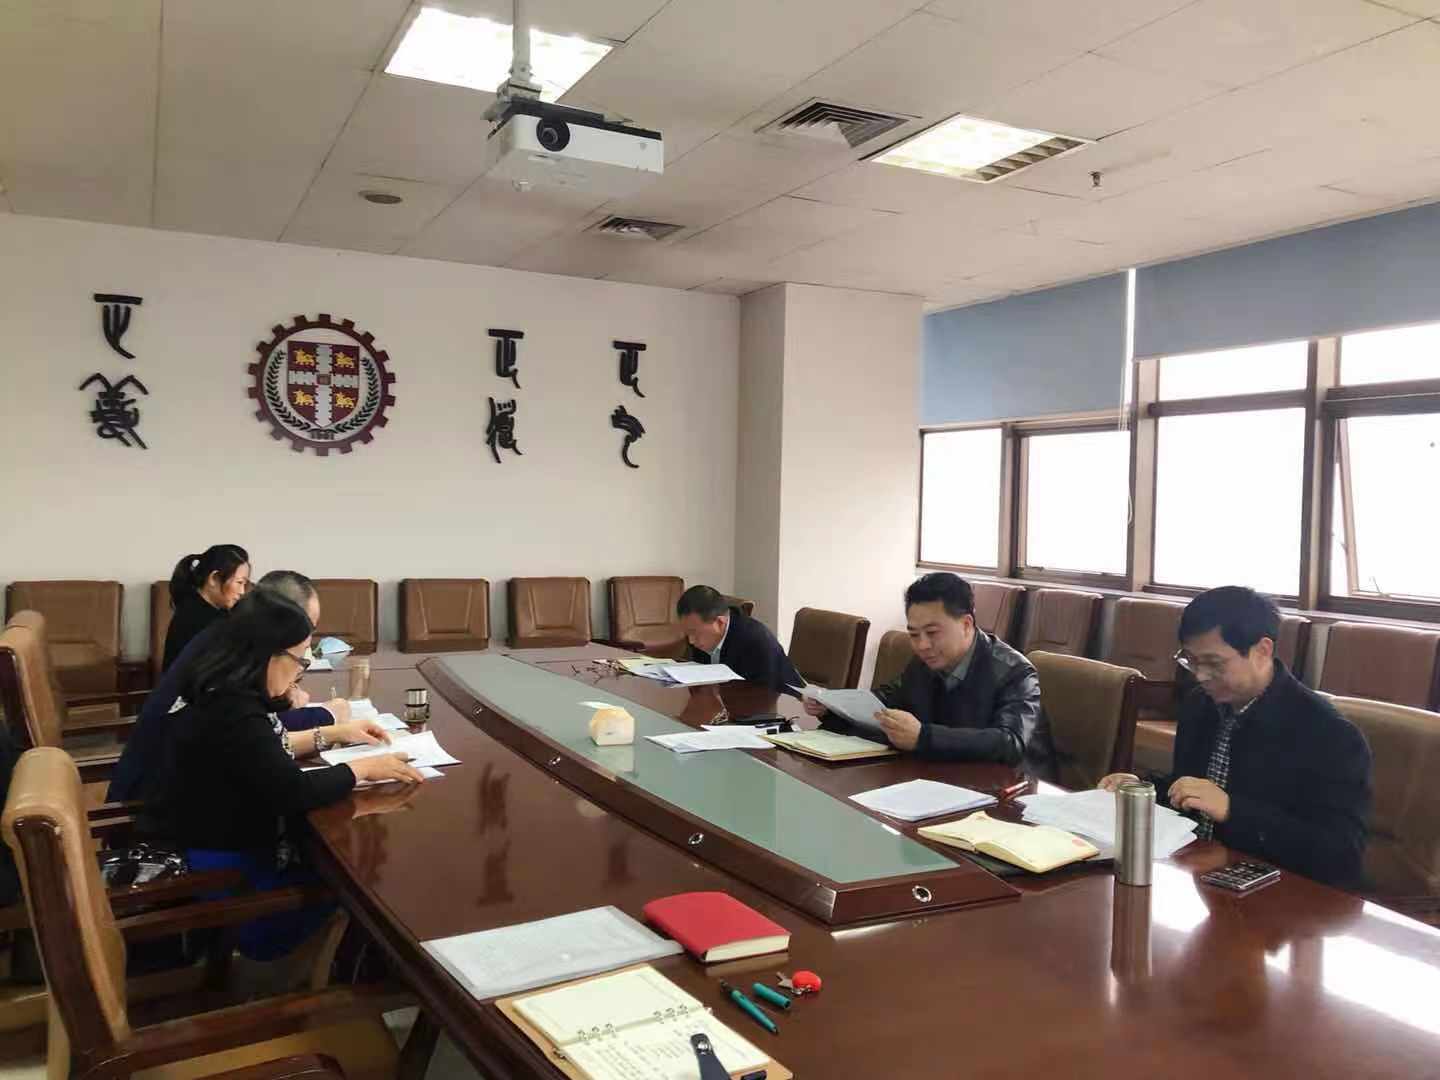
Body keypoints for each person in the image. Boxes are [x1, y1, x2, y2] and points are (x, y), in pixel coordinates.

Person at [144, 588, 423, 958]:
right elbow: (292, 791)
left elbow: (261, 755)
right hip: (233, 883)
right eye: (299, 660)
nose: (299, 672)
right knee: (363, 884)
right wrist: (363, 769)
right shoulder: (234, 711)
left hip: (208, 849)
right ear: (267, 655)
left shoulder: (219, 689)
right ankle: (337, 977)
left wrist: (334, 734)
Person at [1099, 586, 1371, 890]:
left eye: (1214, 664)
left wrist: (1232, 810)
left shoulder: (1329, 735)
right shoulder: (1200, 705)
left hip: (1282, 893)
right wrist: (1141, 789)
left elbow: (1342, 854)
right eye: (1191, 660)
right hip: (1203, 876)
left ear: (1262, 650)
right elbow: (1189, 791)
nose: (1200, 675)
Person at [109, 570, 346, 803]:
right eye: (306, 629)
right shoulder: (230, 691)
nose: (306, 647)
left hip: (169, 795)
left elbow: (266, 741)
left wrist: (334, 731)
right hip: (149, 802)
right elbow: (290, 786)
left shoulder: (229, 651)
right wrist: (328, 719)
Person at [806, 573, 1051, 768]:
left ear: (966, 624)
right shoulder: (924, 663)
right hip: (945, 779)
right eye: (914, 634)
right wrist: (833, 706)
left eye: (932, 633)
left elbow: (1009, 743)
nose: (922, 645)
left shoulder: (1015, 672)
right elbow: (885, 701)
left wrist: (923, 737)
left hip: (1011, 793)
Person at [676, 586, 801, 693]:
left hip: (784, 704)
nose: (691, 641)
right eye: (687, 633)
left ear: (720, 622)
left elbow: (764, 696)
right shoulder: (700, 635)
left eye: (694, 633)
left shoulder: (755, 641)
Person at [161, 544, 251, 671]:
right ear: (213, 578)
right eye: (239, 582)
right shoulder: (195, 619)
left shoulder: (213, 610)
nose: (242, 591)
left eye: (245, 584)